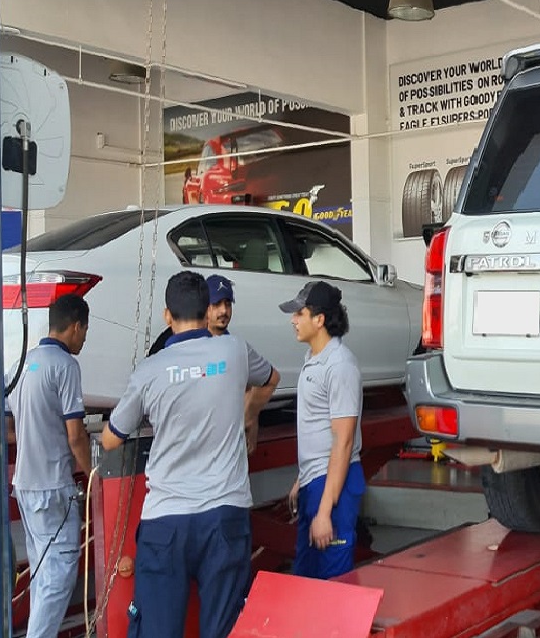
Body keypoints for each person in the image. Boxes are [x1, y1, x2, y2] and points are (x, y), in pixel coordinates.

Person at [101, 271, 277, 638]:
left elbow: (111, 440)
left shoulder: (149, 371)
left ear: (167, 315)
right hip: (225, 516)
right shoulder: (235, 351)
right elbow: (270, 378)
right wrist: (248, 415)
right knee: (225, 629)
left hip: (166, 521)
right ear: (207, 310)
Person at [5, 294, 92, 638]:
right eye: (85, 331)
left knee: (43, 575)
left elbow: (8, 428)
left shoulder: (21, 363)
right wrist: (94, 475)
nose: (84, 339)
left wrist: (36, 433)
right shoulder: (65, 366)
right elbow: (76, 436)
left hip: (25, 487)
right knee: (58, 578)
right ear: (75, 326)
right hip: (53, 488)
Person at [279, 281, 365, 579]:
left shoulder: (339, 365)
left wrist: (325, 511)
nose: (293, 320)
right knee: (307, 577)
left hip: (333, 484)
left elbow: (344, 441)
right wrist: (301, 479)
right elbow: (317, 427)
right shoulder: (313, 360)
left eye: (299, 314)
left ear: (319, 319)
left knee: (332, 581)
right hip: (314, 481)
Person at [148, 273, 279, 453]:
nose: (224, 310)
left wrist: (250, 418)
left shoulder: (234, 347)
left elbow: (253, 385)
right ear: (203, 306)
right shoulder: (175, 342)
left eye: (228, 303)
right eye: (216, 304)